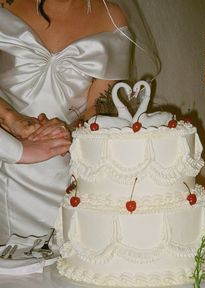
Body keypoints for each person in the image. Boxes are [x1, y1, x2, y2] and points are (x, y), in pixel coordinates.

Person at [0, 0, 131, 243]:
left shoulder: (111, 17)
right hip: (6, 158)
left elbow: (102, 104)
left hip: (69, 167)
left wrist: (67, 132)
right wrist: (12, 119)